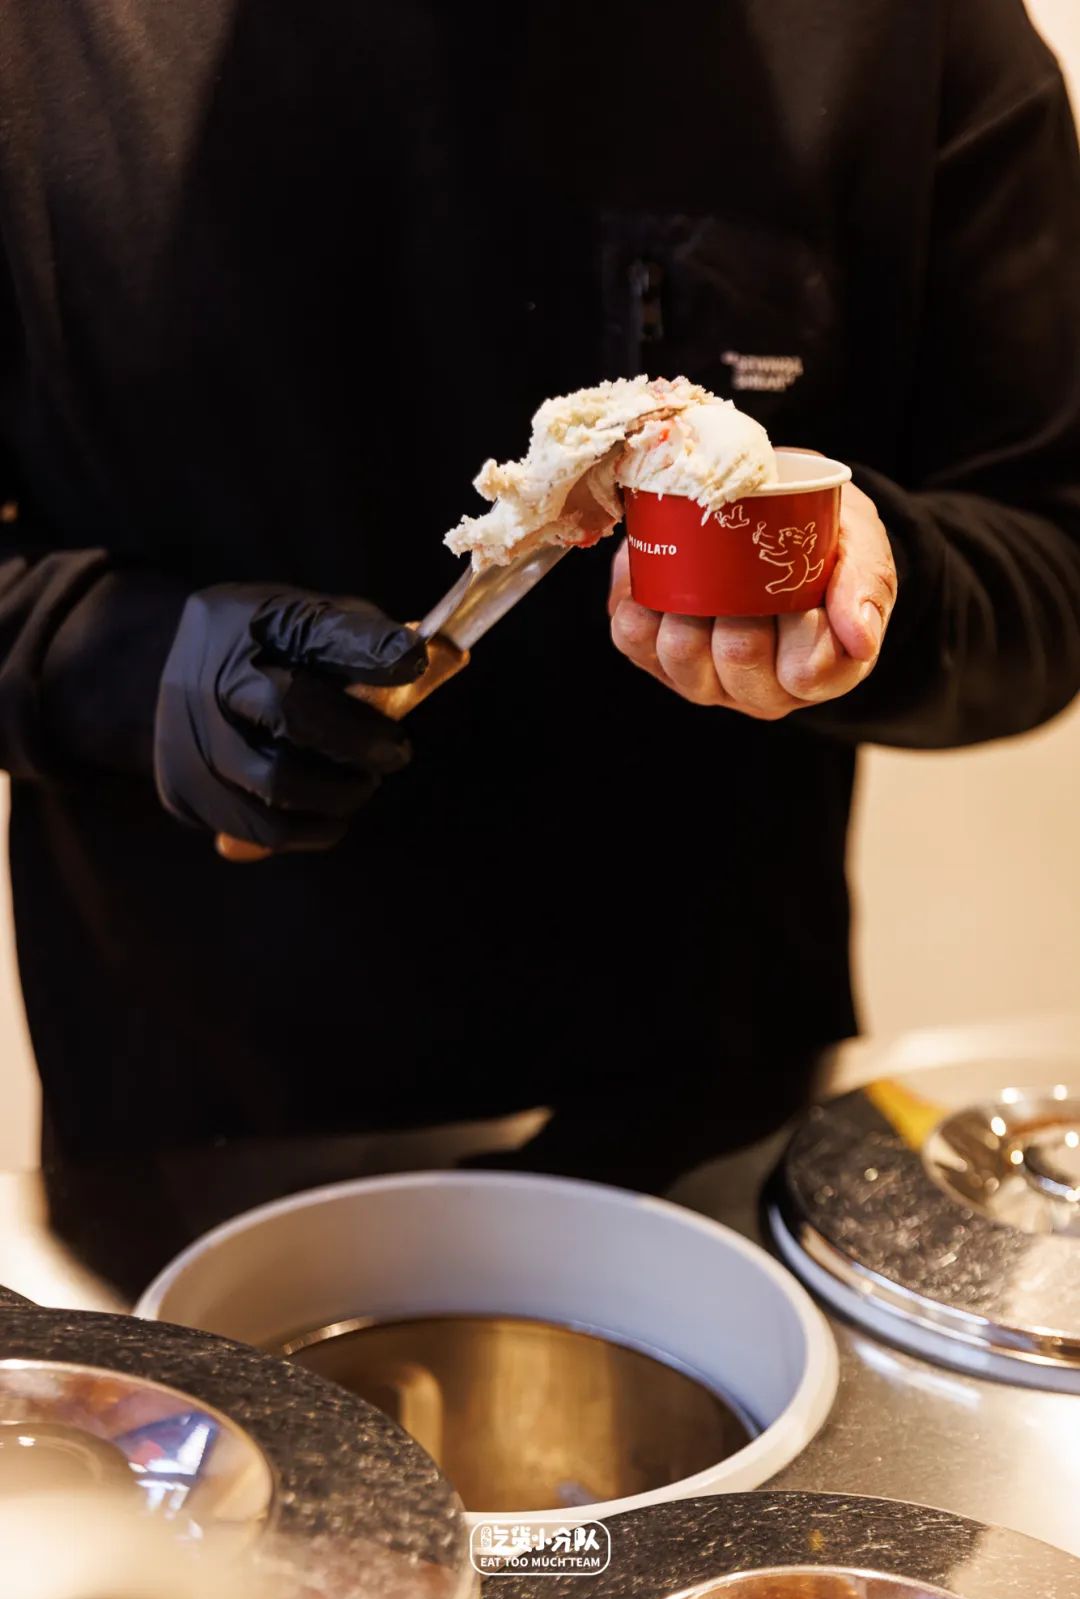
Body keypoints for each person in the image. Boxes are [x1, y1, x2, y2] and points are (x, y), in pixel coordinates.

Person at [0, 2, 1078, 1282]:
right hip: (191, 1125)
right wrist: (120, 668)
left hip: (711, 1118)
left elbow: (1050, 551)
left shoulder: (910, 32)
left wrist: (865, 586)